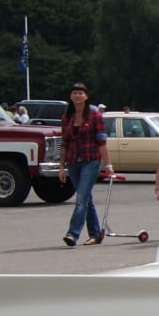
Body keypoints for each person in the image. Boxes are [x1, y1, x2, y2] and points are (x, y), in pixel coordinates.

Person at [58, 81, 112, 246]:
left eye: (80, 93)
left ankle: (72, 234)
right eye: (74, 93)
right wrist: (61, 167)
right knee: (86, 199)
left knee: (80, 198)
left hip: (91, 161)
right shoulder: (67, 118)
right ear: (71, 96)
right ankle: (95, 234)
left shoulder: (95, 116)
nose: (77, 95)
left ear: (86, 96)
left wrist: (108, 165)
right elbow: (64, 144)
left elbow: (101, 142)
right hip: (73, 162)